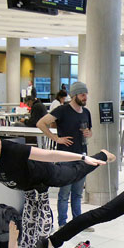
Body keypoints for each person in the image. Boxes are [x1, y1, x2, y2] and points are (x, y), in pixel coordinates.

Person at [0, 121, 113, 248]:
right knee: (29, 224)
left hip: (44, 175)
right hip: (29, 188)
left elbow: (49, 155)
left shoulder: (12, 150)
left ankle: (102, 155)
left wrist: (82, 157)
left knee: (73, 174)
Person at [36, 81, 92, 228]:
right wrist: (56, 138)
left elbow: (90, 132)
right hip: (65, 157)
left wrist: (88, 133)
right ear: (74, 95)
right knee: (64, 193)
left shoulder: (86, 112)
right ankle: (63, 224)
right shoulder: (62, 110)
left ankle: (78, 223)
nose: (85, 97)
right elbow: (41, 123)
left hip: (82, 156)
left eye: (86, 94)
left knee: (78, 193)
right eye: (82, 94)